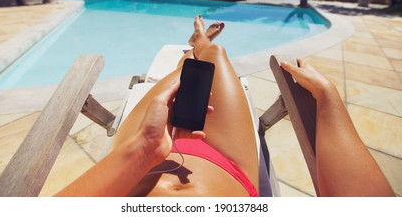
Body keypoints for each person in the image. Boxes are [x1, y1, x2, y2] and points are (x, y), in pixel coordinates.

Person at [55, 15, 394, 197]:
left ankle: (197, 41)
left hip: (137, 161)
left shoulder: (139, 151)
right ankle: (201, 43)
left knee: (185, 71)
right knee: (213, 59)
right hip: (225, 162)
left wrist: (141, 150)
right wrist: (328, 96)